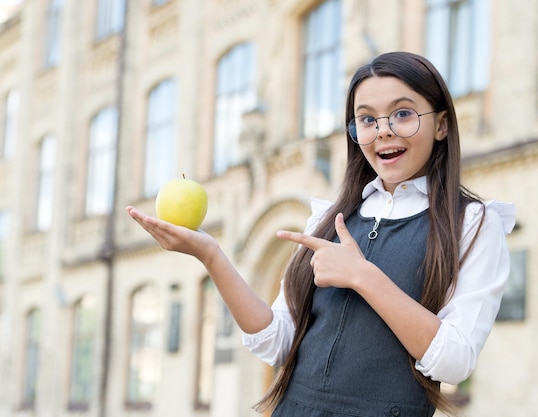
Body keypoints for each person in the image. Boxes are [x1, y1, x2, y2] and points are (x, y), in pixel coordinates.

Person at [126, 51, 515, 417]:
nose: (383, 132)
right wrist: (210, 255)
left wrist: (362, 276)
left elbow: (455, 359)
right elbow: (276, 340)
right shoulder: (328, 220)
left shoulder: (474, 225)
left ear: (442, 124)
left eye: (402, 113)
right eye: (366, 119)